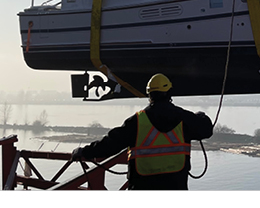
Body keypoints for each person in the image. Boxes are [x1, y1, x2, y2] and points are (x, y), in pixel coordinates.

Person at [71, 73, 213, 190]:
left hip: (142, 186)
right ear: (169, 92)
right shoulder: (184, 118)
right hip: (175, 186)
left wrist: (84, 151)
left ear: (149, 95)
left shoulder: (137, 122)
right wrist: (201, 116)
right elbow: (206, 130)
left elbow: (110, 144)